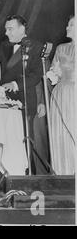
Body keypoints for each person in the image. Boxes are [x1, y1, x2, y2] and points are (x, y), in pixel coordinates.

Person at [0, 15, 43, 174]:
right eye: (6, 29)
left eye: (10, 29)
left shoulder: (36, 46)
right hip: (5, 102)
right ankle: (4, 179)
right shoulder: (4, 47)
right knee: (5, 142)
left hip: (25, 100)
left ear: (22, 29)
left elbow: (36, 76)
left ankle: (28, 178)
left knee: (25, 140)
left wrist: (15, 85)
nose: (6, 33)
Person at [47, 15, 75, 175]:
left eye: (71, 25)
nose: (67, 27)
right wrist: (54, 73)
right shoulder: (61, 48)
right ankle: (63, 173)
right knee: (61, 135)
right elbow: (53, 72)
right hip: (61, 95)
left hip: (74, 95)